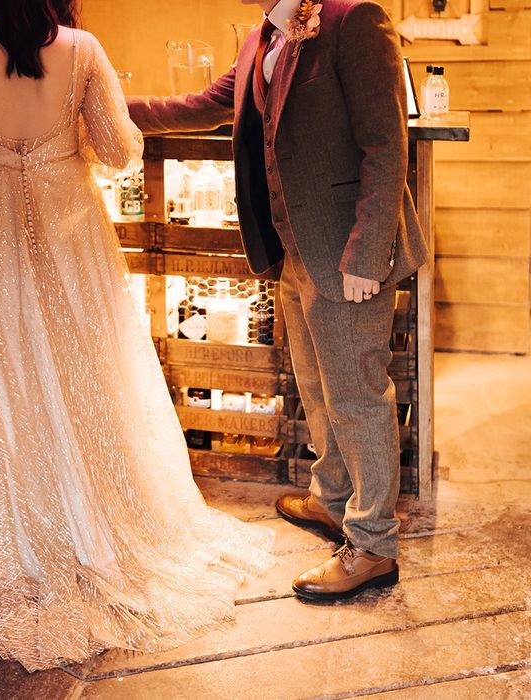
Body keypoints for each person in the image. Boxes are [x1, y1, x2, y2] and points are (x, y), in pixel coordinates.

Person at [0, 0, 276, 672]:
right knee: (88, 359)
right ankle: (90, 510)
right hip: (68, 210)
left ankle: (14, 517)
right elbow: (117, 146)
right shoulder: (81, 47)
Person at [128, 0, 427, 601]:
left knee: (357, 393)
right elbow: (198, 106)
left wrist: (367, 257)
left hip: (347, 252)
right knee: (316, 387)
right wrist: (98, 107)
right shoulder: (261, 36)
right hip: (293, 250)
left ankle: (372, 544)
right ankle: (333, 498)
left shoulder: (354, 19)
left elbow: (386, 145)